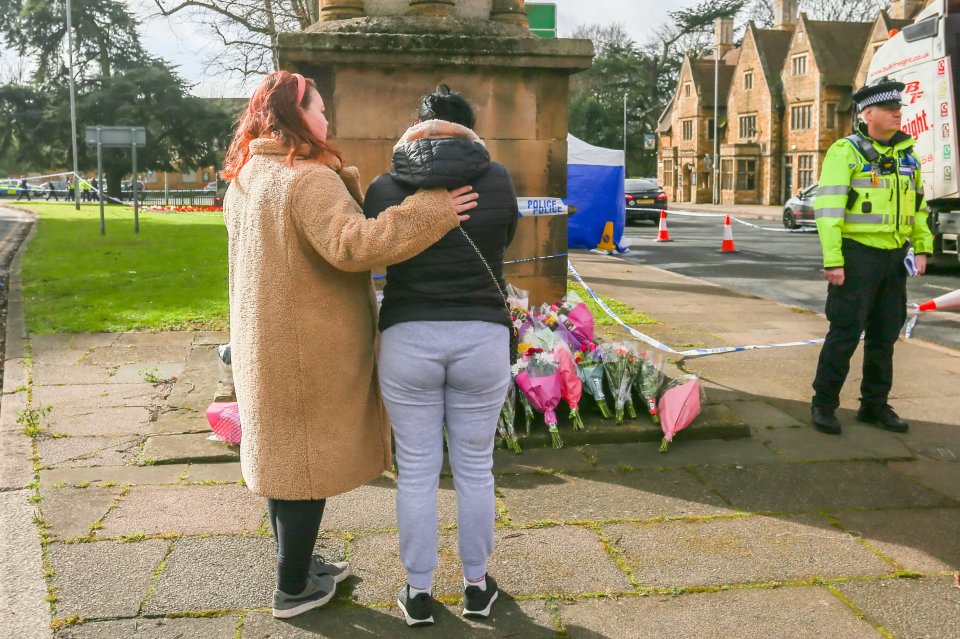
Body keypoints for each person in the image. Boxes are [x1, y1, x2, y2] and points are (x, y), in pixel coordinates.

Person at [220, 70, 477, 620]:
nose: (327, 118)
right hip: (305, 347)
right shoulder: (304, 178)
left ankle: (301, 564)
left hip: (267, 340)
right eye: (318, 108)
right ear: (295, 115)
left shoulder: (247, 176)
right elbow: (352, 244)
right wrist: (431, 211)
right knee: (303, 467)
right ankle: (293, 588)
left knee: (283, 460)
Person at [363, 85, 518, 627]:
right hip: (481, 337)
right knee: (476, 467)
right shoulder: (497, 180)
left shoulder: (384, 186)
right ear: (470, 130)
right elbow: (507, 238)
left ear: (417, 129)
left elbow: (375, 250)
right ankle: (477, 586)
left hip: (409, 338)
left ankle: (418, 591)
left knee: (417, 472)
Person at [810, 78, 933, 435]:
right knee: (845, 332)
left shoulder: (907, 155)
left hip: (894, 258)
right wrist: (833, 260)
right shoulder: (845, 152)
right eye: (889, 109)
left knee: (885, 336)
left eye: (899, 109)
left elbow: (919, 208)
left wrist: (921, 247)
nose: (898, 114)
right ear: (867, 114)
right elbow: (828, 210)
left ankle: (874, 405)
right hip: (856, 256)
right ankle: (824, 404)